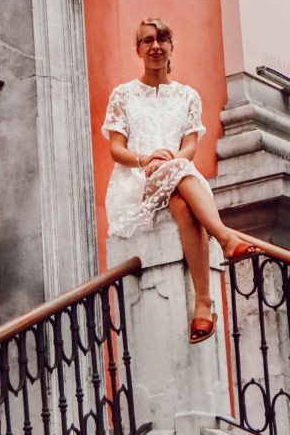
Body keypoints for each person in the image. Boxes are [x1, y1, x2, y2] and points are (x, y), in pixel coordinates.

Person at [102, 18, 262, 344]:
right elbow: (116, 149)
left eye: (162, 39)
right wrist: (145, 159)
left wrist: (173, 161)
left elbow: (189, 146)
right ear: (138, 49)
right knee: (178, 176)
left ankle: (203, 305)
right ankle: (224, 237)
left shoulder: (187, 96)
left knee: (181, 204)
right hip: (136, 183)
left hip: (178, 176)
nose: (155, 46)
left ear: (171, 46)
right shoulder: (124, 95)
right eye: (147, 41)